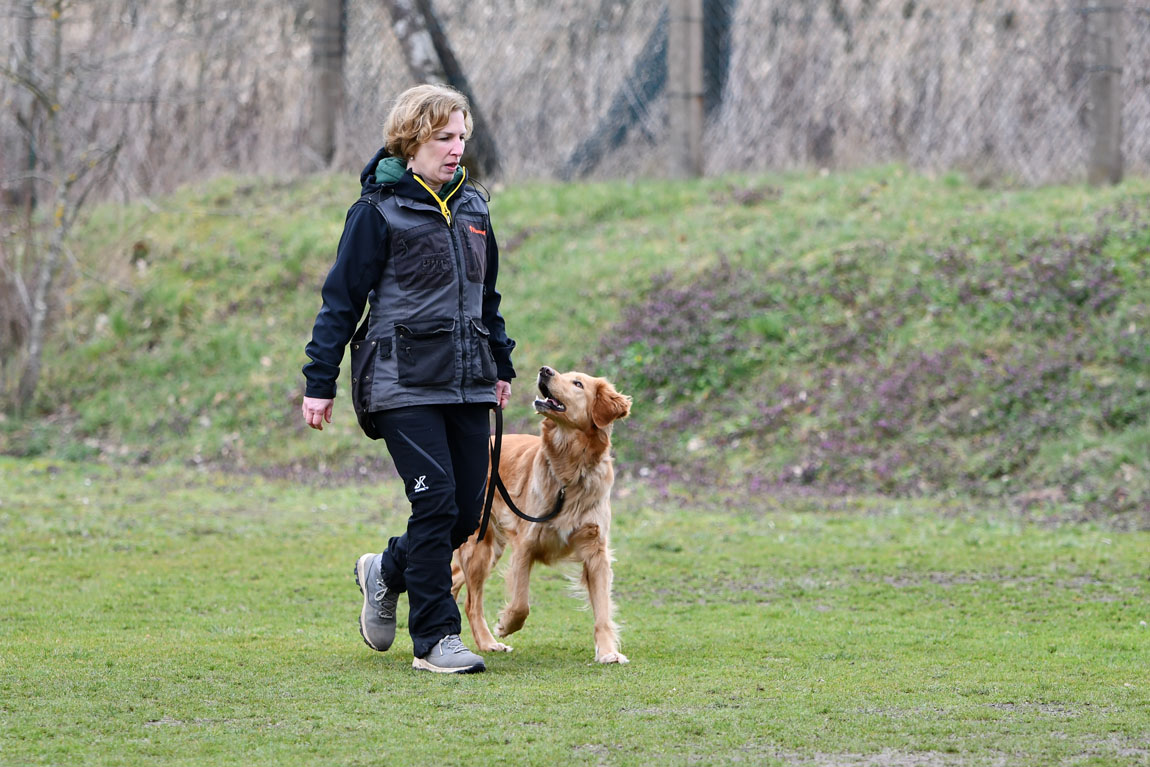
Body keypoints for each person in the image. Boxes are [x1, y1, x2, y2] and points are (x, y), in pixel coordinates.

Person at [301, 84, 516, 674]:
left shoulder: (474, 207)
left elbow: (486, 297)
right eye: (444, 137)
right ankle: (435, 640)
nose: (456, 150)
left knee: (467, 514)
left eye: (462, 138)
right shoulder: (377, 211)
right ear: (411, 139)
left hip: (468, 378)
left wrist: (500, 365)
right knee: (435, 501)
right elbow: (340, 302)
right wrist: (319, 380)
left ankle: (383, 570)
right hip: (400, 382)